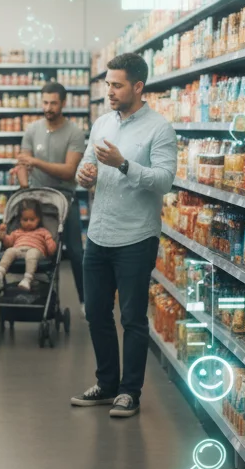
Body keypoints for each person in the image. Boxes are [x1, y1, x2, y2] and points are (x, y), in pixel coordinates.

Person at [71, 52, 177, 419]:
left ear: (138, 86)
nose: (109, 92)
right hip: (99, 233)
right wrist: (84, 176)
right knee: (96, 312)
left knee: (132, 317)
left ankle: (130, 392)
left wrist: (124, 164)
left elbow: (164, 180)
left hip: (136, 237)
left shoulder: (159, 129)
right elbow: (86, 165)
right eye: (107, 84)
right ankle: (106, 383)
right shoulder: (102, 123)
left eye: (116, 85)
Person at [10, 81, 86, 313]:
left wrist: (35, 162)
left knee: (75, 250)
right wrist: (24, 185)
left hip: (64, 198)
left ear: (63, 103)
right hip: (36, 197)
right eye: (45, 102)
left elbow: (68, 171)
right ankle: (32, 293)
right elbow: (24, 164)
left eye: (53, 103)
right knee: (29, 242)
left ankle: (85, 301)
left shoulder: (75, 132)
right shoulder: (33, 130)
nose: (48, 107)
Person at [0, 198, 57, 290]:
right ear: (20, 220)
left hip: (36, 251)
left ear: (38, 219)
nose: (28, 223)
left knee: (31, 253)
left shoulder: (43, 232)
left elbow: (51, 250)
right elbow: (8, 243)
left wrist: (49, 241)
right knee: (10, 251)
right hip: (19, 251)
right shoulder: (17, 232)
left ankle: (27, 279)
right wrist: (3, 236)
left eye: (32, 219)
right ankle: (0, 271)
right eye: (25, 220)